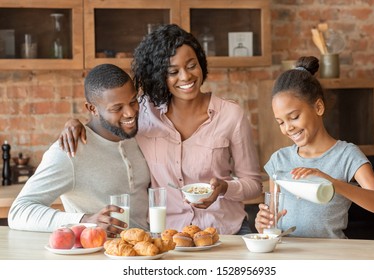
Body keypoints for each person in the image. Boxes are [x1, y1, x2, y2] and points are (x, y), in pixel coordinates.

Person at [59, 24, 263, 235]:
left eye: (192, 65)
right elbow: (111, 117)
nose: (185, 77)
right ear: (158, 76)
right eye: (173, 72)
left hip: (225, 233)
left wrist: (225, 188)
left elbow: (254, 184)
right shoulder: (145, 112)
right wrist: (75, 123)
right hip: (167, 237)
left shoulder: (230, 115)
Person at [254, 56, 374, 238]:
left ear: (319, 107)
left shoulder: (346, 155)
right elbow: (272, 224)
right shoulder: (279, 160)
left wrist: (333, 184)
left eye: (294, 117)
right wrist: (263, 224)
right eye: (280, 122)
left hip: (331, 258)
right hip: (288, 258)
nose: (288, 128)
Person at [8, 64, 151, 237]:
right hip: (99, 257)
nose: (130, 113)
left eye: (133, 101)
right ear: (92, 109)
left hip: (147, 252)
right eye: (117, 108)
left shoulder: (139, 135)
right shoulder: (70, 151)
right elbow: (19, 212)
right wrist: (85, 221)